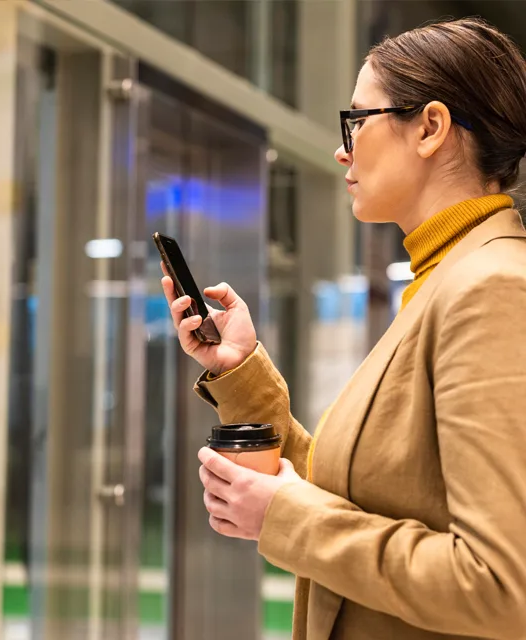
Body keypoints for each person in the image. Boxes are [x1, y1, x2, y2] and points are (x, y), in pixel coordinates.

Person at [161, 17, 526, 640]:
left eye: (356, 122)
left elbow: (498, 586)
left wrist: (287, 520)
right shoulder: (445, 280)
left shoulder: (489, 289)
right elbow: (358, 495)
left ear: (432, 128)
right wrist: (240, 371)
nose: (341, 149)